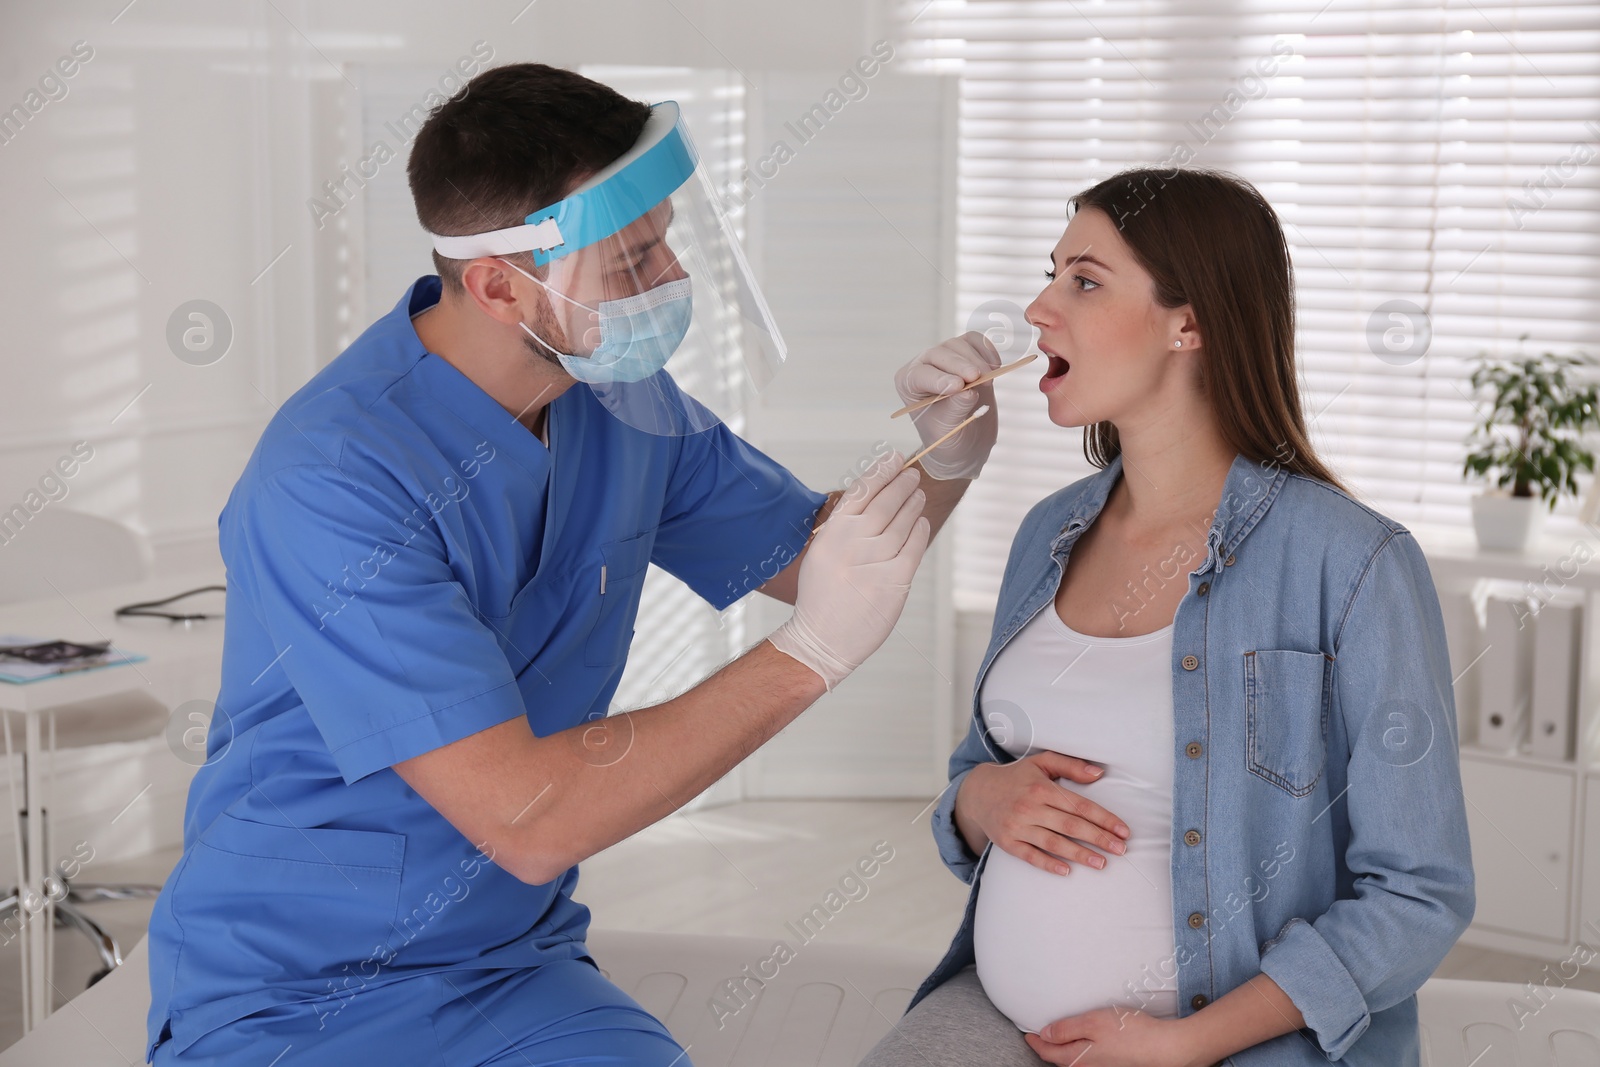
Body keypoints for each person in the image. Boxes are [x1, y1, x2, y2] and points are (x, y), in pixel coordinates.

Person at [144, 63, 1003, 1066]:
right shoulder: (332, 478)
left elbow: (813, 556)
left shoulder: (622, 404)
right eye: (632, 262)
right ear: (501, 284)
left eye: (667, 241)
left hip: (506, 960)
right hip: (293, 982)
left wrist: (944, 457)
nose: (669, 277)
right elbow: (531, 819)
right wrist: (805, 655)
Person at [861, 167, 1475, 1067]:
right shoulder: (1047, 534)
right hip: (1002, 1017)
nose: (1036, 308)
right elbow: (976, 773)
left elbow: (1420, 892)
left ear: (1189, 323)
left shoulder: (1354, 562)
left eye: (1084, 279)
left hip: (1226, 1041)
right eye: (1049, 272)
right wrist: (976, 801)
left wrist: (1183, 1044)